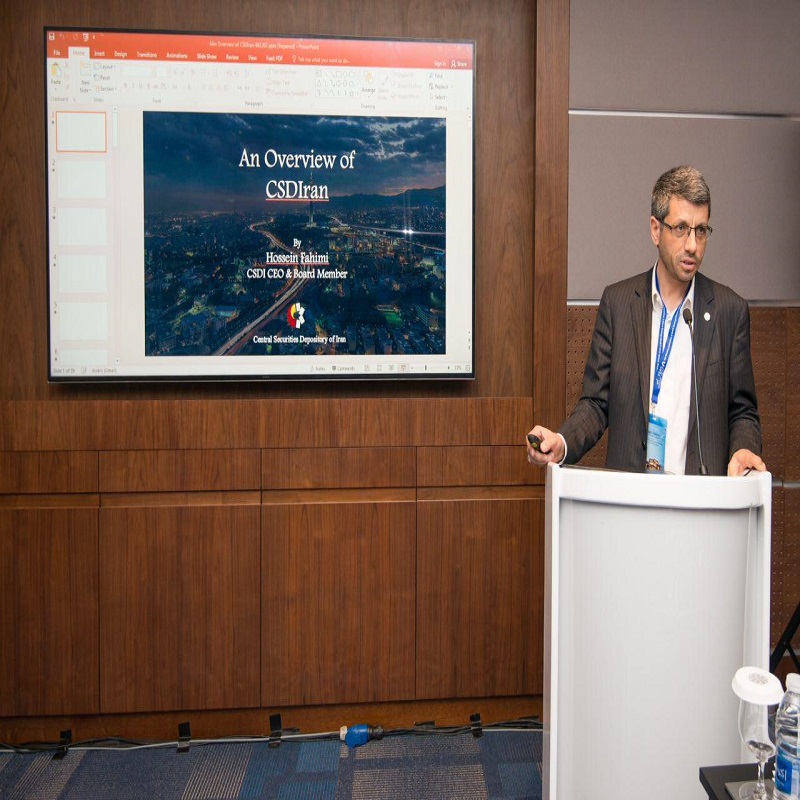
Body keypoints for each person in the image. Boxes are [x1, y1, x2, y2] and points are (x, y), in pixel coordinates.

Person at [527, 165, 765, 477]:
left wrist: (744, 448)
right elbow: (596, 404)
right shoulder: (618, 303)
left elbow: (743, 411)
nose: (692, 245)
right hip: (631, 496)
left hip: (699, 496)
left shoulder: (728, 311)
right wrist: (562, 442)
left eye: (700, 230)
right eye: (681, 228)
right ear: (655, 229)